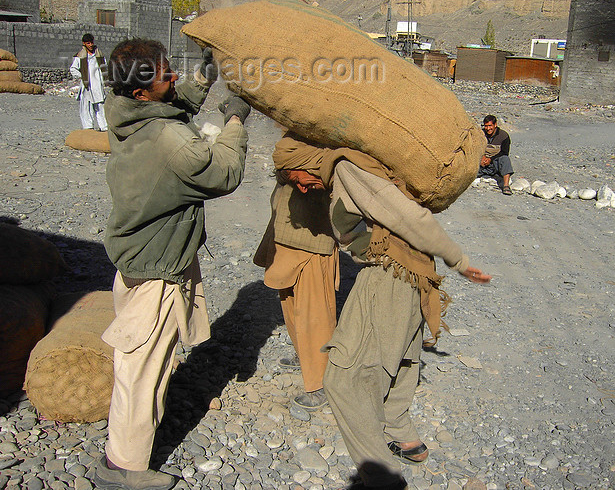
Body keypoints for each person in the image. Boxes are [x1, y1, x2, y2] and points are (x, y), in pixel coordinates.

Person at [273, 136, 491, 490]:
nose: (297, 185)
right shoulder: (344, 171)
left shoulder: (347, 170)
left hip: (389, 275)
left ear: (306, 160)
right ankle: (405, 438)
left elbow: (408, 216)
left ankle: (380, 478)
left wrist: (459, 259)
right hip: (411, 271)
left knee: (342, 380)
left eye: (293, 174)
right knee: (402, 355)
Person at [95, 38, 251, 490]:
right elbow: (223, 172)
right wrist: (236, 118)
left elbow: (176, 101)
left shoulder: (123, 109)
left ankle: (125, 453)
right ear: (142, 92)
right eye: (165, 72)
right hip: (156, 273)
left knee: (145, 363)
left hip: (138, 258)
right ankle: (124, 467)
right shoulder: (169, 141)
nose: (172, 76)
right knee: (140, 372)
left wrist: (205, 71)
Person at [253, 133, 339, 410]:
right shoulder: (294, 141)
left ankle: (321, 382)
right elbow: (283, 162)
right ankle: (305, 354)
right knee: (289, 302)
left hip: (314, 241)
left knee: (316, 314)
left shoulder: (332, 149)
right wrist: (290, 175)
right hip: (285, 234)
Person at [70, 33, 108, 131]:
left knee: (100, 106)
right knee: (86, 106)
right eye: (88, 43)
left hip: (97, 84)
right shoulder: (80, 56)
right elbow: (73, 69)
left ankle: (104, 127)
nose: (90, 45)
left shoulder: (99, 55)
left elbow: (104, 67)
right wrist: (82, 76)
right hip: (87, 85)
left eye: (91, 43)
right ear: (84, 44)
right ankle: (88, 127)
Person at [479, 114, 514, 195]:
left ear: (495, 125)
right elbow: (475, 148)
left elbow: (504, 152)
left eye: (490, 126)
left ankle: (506, 185)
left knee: (505, 159)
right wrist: (482, 156)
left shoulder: (503, 136)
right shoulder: (480, 134)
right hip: (482, 161)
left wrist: (491, 159)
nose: (488, 128)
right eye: (486, 126)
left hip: (495, 162)